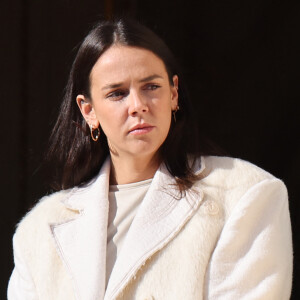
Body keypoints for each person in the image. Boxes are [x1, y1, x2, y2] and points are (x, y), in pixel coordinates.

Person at [8, 18, 293, 300]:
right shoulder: (39, 232)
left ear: (174, 93)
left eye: (151, 87)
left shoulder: (244, 195)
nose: (138, 105)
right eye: (117, 93)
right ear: (88, 111)